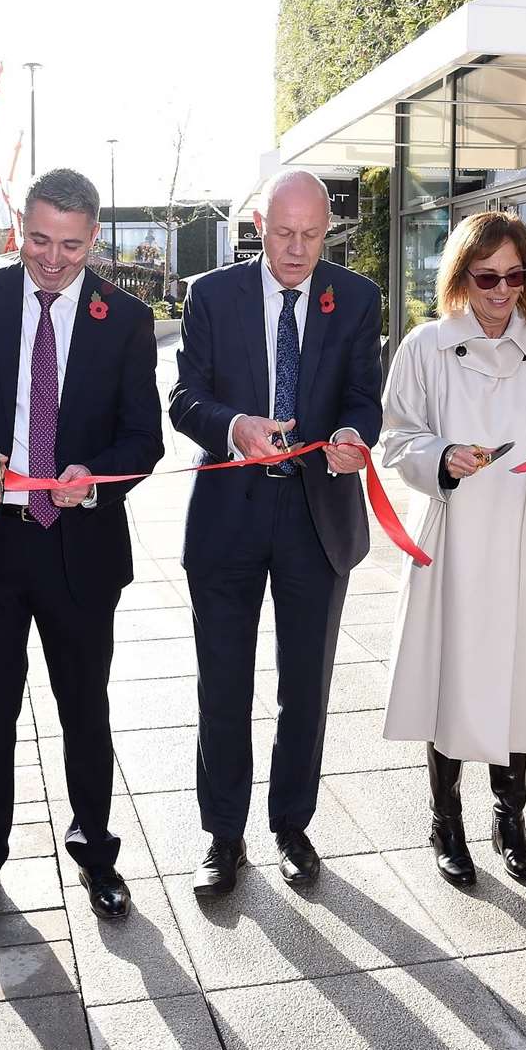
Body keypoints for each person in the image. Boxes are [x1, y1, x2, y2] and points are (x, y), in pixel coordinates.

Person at [0, 168, 163, 929]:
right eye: (41, 241)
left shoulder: (124, 317)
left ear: (94, 241)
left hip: (79, 547)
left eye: (72, 247)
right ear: (22, 226)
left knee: (84, 707)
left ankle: (96, 854)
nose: (53, 261)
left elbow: (142, 437)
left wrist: (100, 480)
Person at [169, 170, 382, 897]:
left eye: (311, 236)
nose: (295, 250)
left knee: (305, 686)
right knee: (222, 686)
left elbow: (361, 394)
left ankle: (292, 825)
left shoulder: (354, 298)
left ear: (329, 231)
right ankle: (221, 837)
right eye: (282, 233)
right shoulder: (210, 295)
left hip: (315, 517)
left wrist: (354, 434)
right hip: (228, 512)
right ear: (257, 223)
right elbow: (184, 398)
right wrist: (233, 428)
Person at [379, 212, 526, 887]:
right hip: (453, 537)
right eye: (486, 276)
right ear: (460, 275)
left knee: (516, 677)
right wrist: (441, 457)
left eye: (515, 275)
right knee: (448, 676)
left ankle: (510, 819)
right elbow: (397, 438)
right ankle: (444, 821)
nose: (501, 290)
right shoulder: (424, 346)